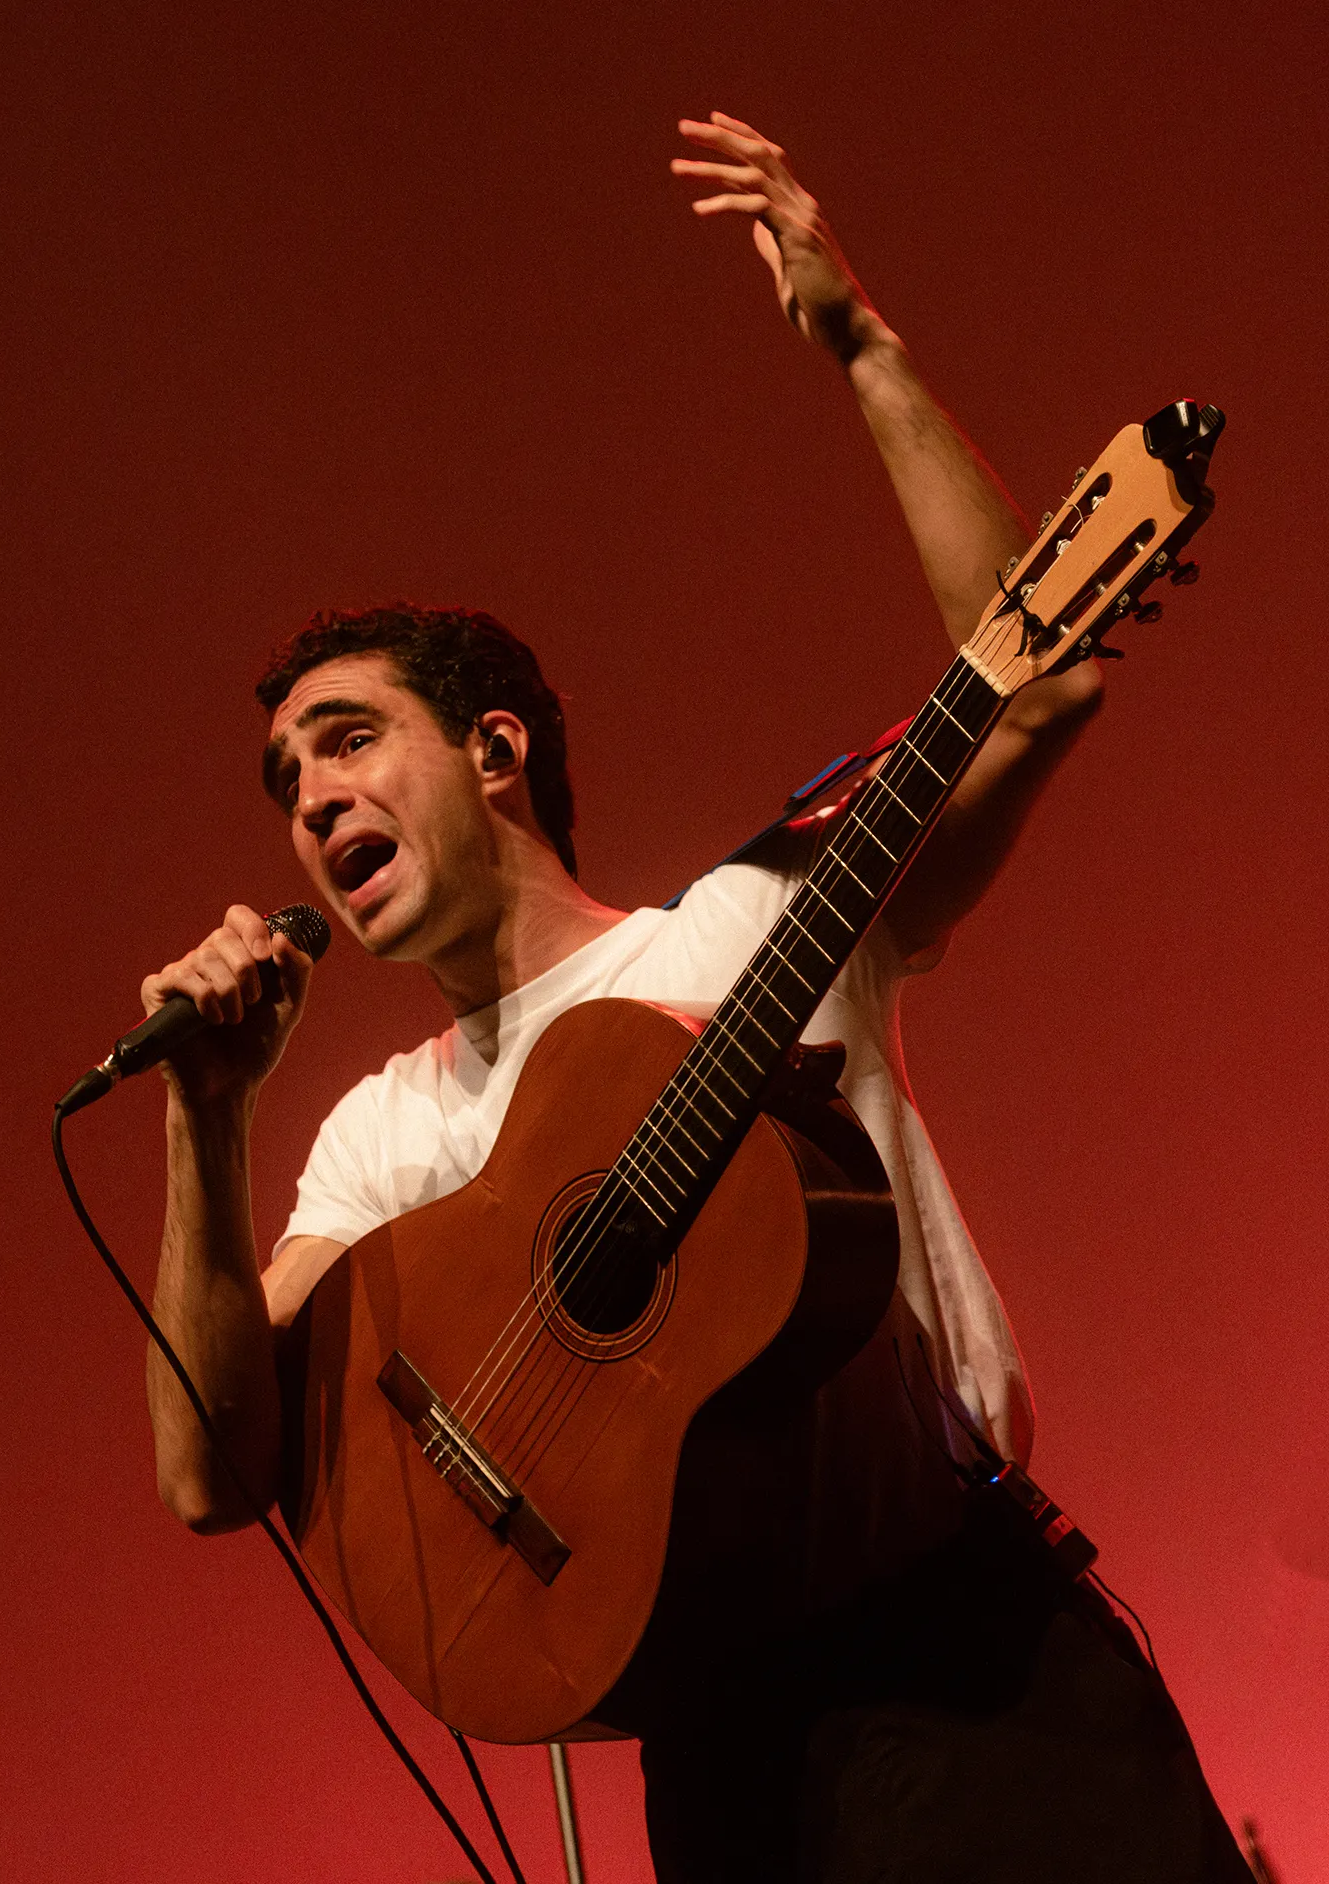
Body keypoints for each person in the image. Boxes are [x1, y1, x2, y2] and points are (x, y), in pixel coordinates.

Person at [141, 114, 1251, 1883]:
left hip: (974, 1685)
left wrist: (863, 347)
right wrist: (204, 1118)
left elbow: (1030, 694)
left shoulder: (740, 932)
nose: (313, 800)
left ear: (495, 752)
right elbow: (216, 1470)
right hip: (715, 1769)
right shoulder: (381, 1141)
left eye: (349, 742)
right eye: (287, 781)